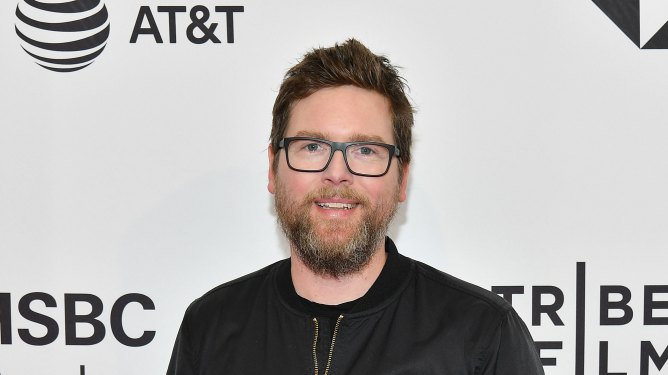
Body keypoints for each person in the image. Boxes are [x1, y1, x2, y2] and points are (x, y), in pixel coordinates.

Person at [167, 39, 545, 375]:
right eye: (312, 147)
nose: (337, 173)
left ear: (402, 178)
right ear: (272, 167)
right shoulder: (211, 326)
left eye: (365, 151)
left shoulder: (481, 333)